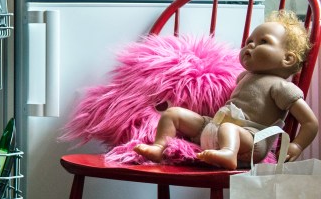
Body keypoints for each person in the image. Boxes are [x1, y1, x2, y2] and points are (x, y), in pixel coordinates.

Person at [135, 10, 318, 169]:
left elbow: (310, 123)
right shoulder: (244, 77)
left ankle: (229, 154)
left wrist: (297, 145)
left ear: (287, 59)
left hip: (251, 141)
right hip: (216, 127)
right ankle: (159, 147)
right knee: (173, 114)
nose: (250, 45)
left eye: (263, 41)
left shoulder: (281, 87)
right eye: (249, 41)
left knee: (229, 128)